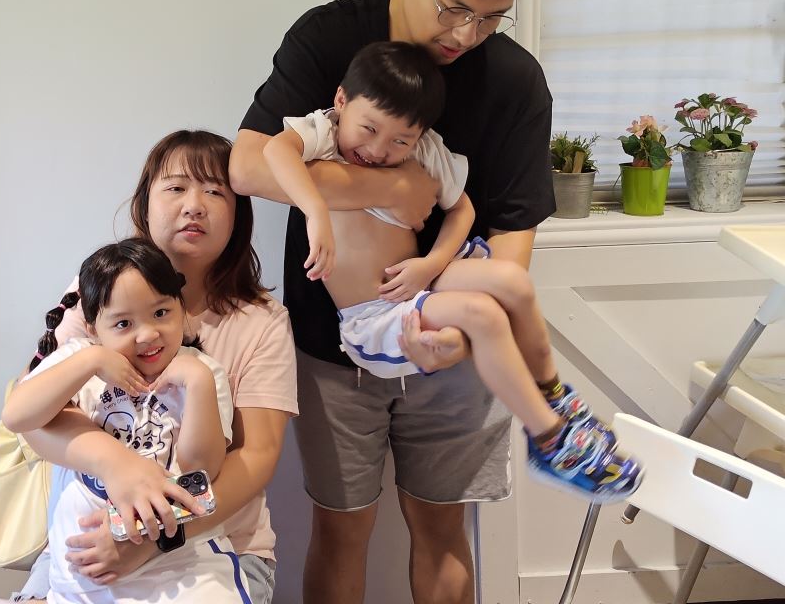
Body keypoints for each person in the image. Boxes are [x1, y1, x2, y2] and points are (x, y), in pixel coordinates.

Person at [230, 0, 557, 604]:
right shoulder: (329, 38)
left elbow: (510, 228)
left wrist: (461, 339)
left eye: (491, 19)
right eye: (454, 8)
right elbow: (247, 164)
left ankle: (554, 410)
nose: (466, 35)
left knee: (443, 527)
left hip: (451, 335)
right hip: (334, 339)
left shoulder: (515, 83)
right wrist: (387, 189)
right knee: (342, 529)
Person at [264, 40, 642, 503]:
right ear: (342, 100)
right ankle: (548, 440)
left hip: (418, 283)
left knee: (513, 281)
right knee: (484, 315)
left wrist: (430, 264)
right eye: (369, 129)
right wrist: (315, 211)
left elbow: (462, 210)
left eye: (400, 140)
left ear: (419, 133)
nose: (379, 150)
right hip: (375, 315)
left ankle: (555, 396)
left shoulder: (424, 149)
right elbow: (274, 152)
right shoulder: (323, 131)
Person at [16, 130, 297, 604]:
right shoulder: (98, 291)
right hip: (85, 543)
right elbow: (33, 421)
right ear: (145, 203)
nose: (195, 206)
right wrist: (118, 463)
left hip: (216, 545)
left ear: (238, 215)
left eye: (215, 192)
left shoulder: (261, 321)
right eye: (176, 187)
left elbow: (256, 458)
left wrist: (154, 537)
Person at [3, 238, 249, 604]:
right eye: (123, 323)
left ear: (181, 307)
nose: (147, 334)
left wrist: (197, 384)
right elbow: (17, 414)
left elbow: (202, 470)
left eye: (161, 313)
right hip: (81, 578)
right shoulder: (79, 360)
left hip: (180, 569)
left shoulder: (200, 371)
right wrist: (90, 361)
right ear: (92, 328)